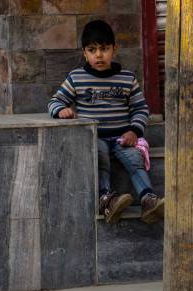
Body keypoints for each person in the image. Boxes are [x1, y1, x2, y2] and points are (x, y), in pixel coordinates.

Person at [49, 20, 163, 224]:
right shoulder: (77, 78)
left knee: (135, 160)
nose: (99, 55)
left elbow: (141, 108)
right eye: (92, 50)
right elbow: (55, 101)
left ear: (114, 49)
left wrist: (134, 131)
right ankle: (106, 200)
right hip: (96, 138)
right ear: (85, 53)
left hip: (123, 137)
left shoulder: (127, 78)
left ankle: (148, 200)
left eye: (104, 49)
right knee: (100, 158)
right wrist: (62, 110)